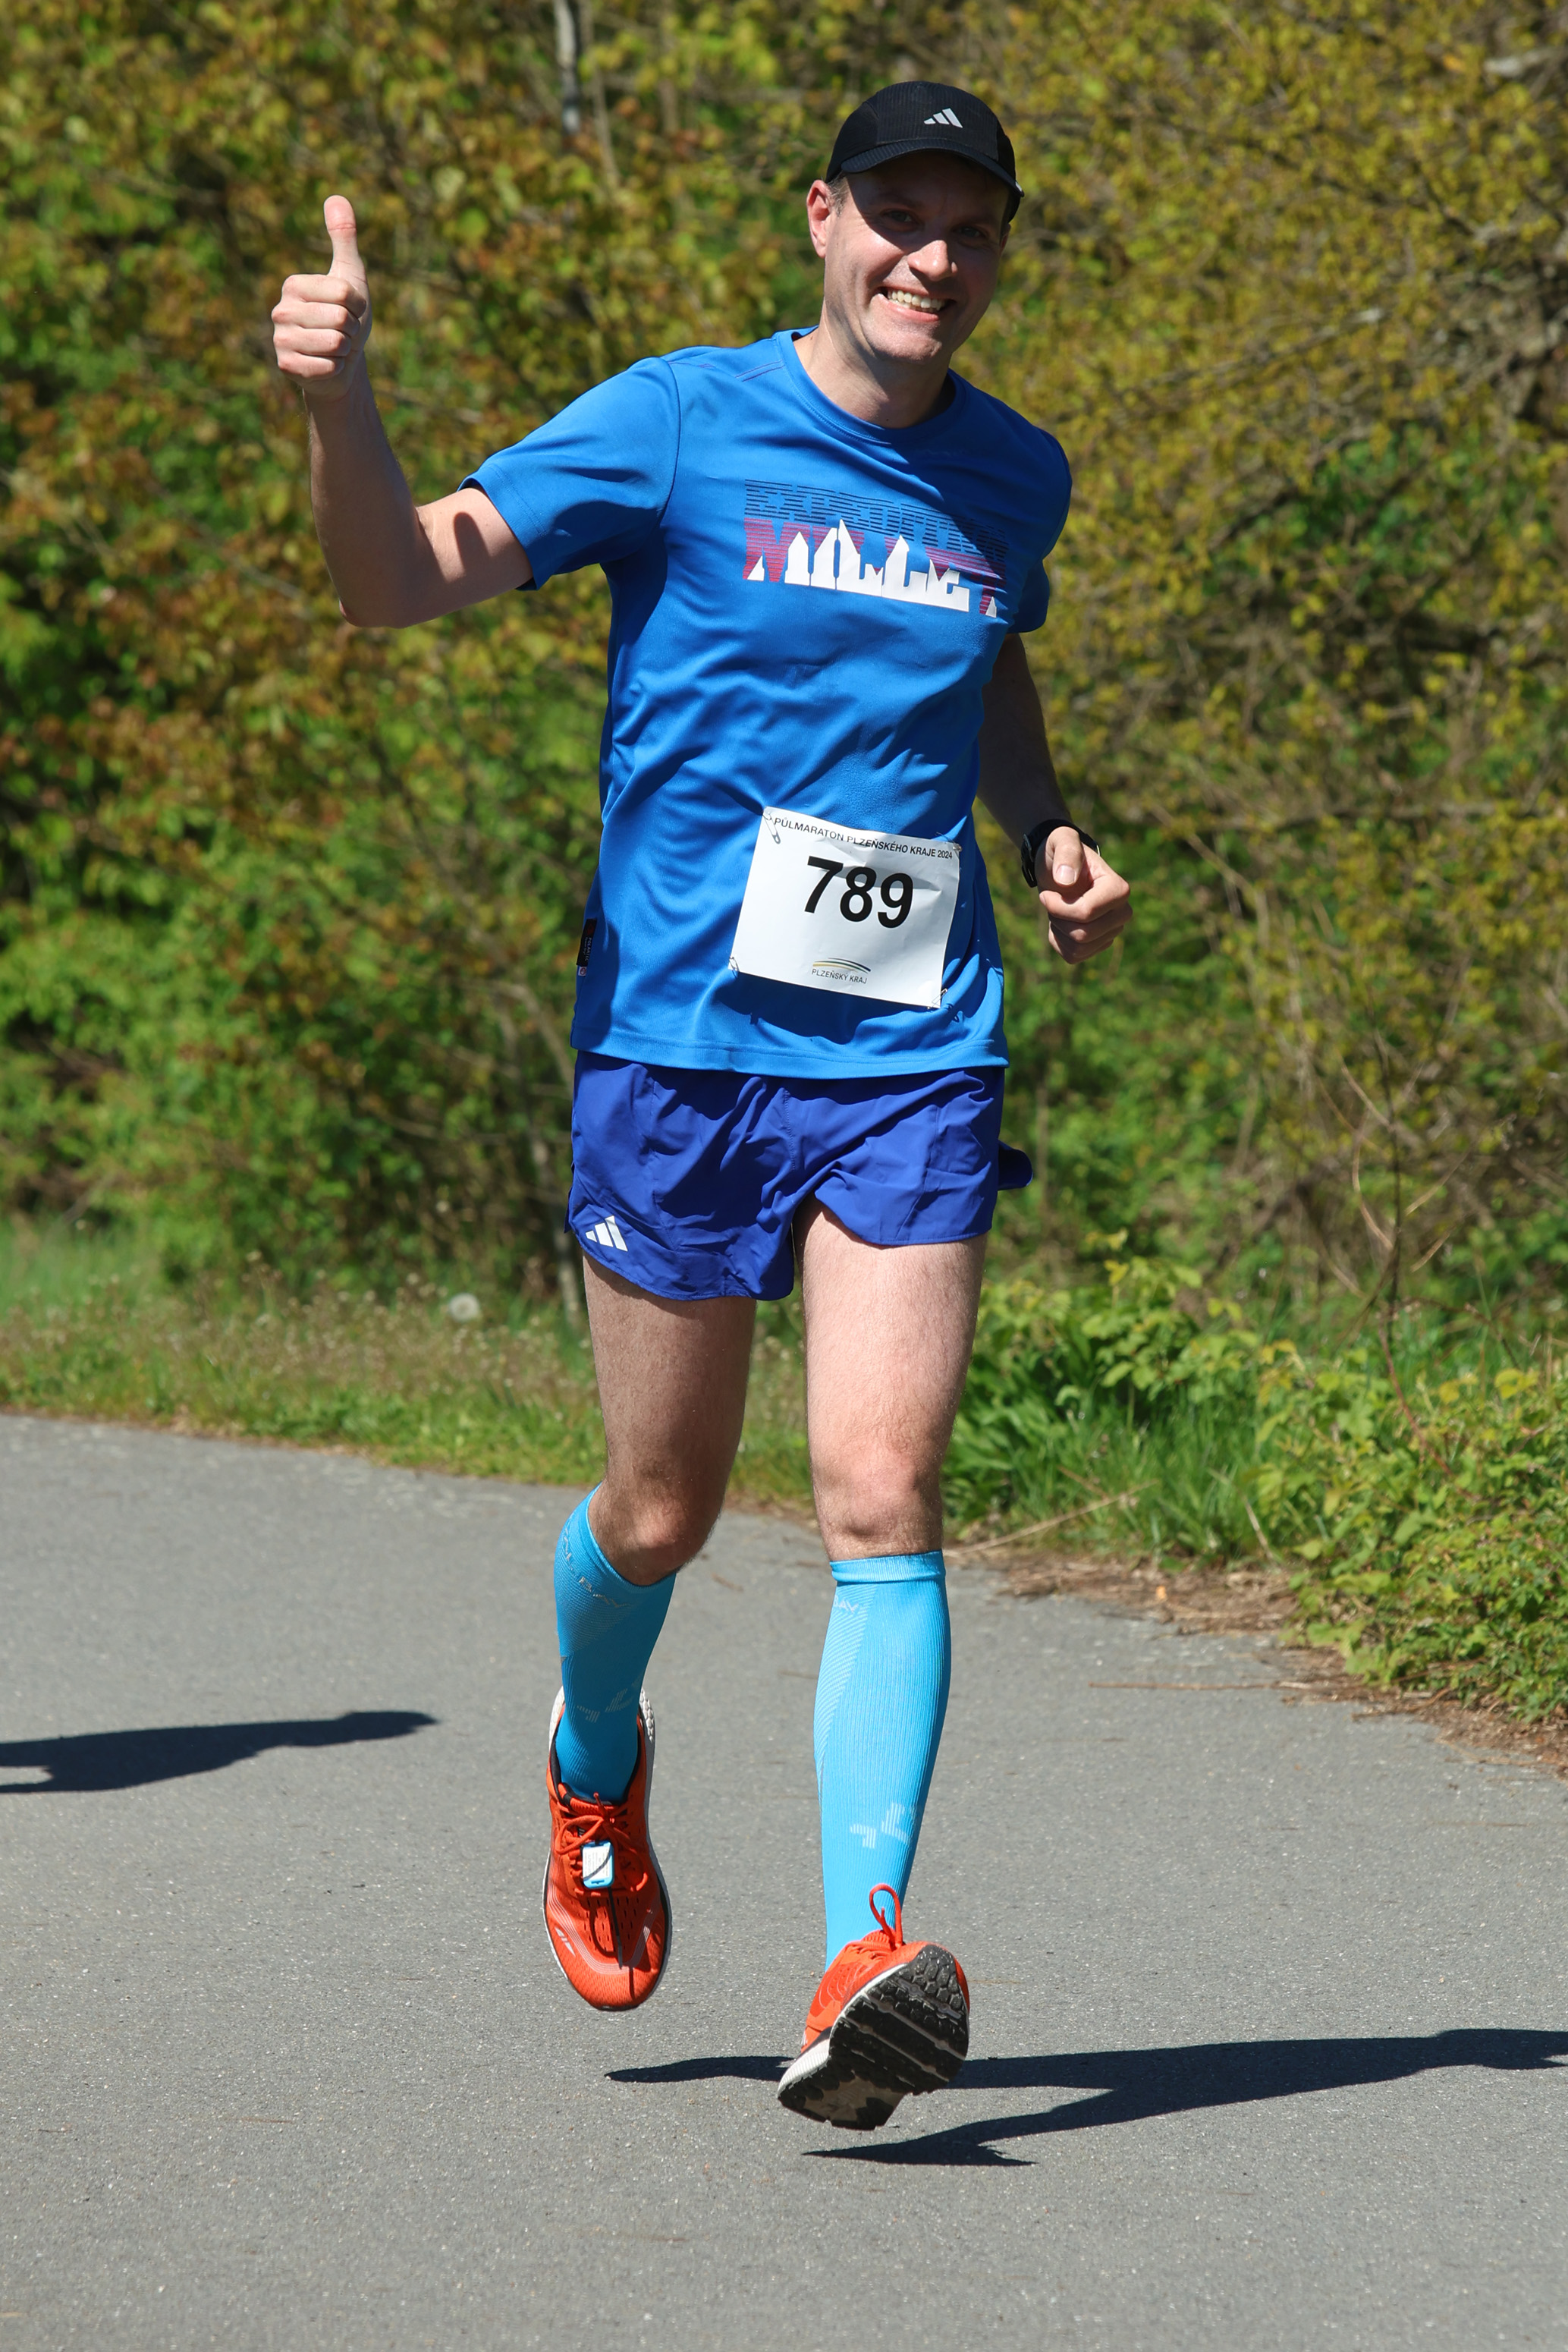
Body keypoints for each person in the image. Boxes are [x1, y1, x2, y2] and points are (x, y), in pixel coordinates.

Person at [271, 78, 1132, 2132]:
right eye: (900, 215)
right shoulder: (675, 420)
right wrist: (338, 408)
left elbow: (988, 660)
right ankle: (593, 1760)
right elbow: (400, 579)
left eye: (972, 228)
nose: (934, 257)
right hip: (677, 1049)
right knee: (662, 1509)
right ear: (823, 218)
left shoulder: (1015, 475)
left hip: (909, 1051)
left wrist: (1044, 822)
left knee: (880, 1491)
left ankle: (862, 1953)